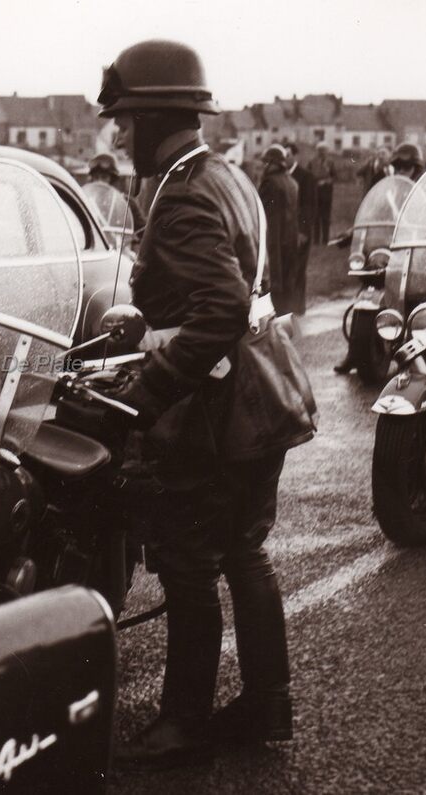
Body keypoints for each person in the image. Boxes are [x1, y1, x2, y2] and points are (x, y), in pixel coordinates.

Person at [96, 39, 315, 768]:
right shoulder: (225, 174)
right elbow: (232, 295)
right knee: (245, 552)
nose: (117, 135)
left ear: (155, 118)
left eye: (125, 120)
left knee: (190, 564)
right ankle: (267, 702)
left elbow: (218, 307)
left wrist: (146, 393)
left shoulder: (184, 193)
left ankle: (184, 722)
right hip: (262, 393)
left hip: (217, 410)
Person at [259, 145, 300, 316]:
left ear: (272, 163)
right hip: (290, 242)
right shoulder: (292, 182)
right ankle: (286, 318)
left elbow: (269, 221)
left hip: (274, 243)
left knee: (273, 288)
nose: (263, 167)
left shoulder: (270, 184)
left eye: (265, 163)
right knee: (287, 288)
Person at [284, 142, 316, 314]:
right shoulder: (282, 176)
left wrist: (303, 232)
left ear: (295, 156)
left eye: (288, 155)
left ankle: (298, 308)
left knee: (298, 269)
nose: (285, 159)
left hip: (300, 232)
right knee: (287, 269)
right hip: (286, 232)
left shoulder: (306, 177)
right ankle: (287, 307)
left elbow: (309, 206)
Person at [306, 141, 336, 244]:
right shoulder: (312, 161)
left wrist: (326, 181)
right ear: (317, 151)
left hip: (326, 192)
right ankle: (316, 239)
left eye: (324, 150)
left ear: (327, 151)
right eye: (320, 150)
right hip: (315, 191)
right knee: (316, 216)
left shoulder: (330, 162)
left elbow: (334, 176)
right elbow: (307, 175)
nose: (322, 152)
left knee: (326, 216)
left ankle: (325, 239)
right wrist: (313, 183)